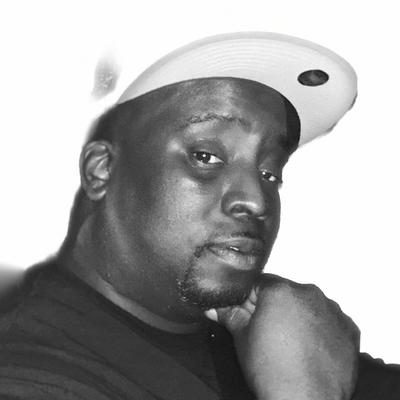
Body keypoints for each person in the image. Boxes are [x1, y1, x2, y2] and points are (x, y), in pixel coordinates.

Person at [0, 32, 399, 400]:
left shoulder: (276, 343)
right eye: (205, 157)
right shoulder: (29, 375)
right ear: (101, 170)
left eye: (269, 173)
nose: (257, 201)